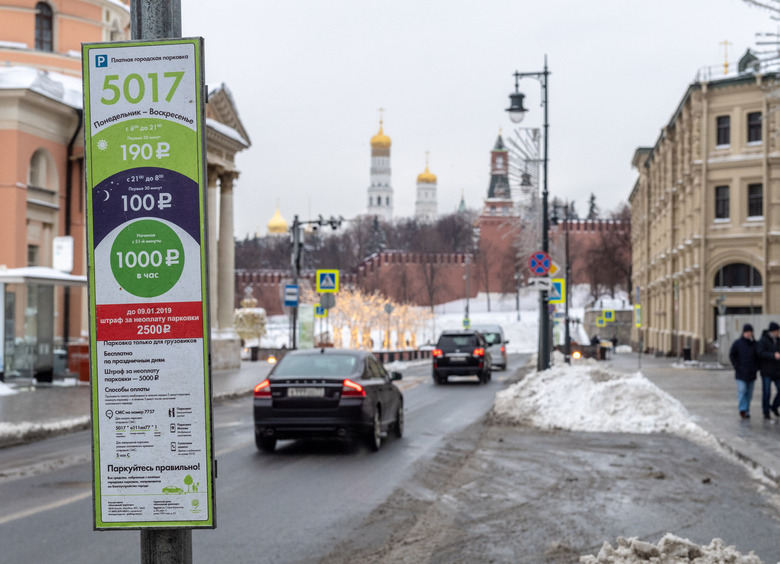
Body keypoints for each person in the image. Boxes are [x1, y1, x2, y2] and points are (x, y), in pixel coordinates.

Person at [730, 324, 759, 419]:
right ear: (743, 332)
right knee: (742, 390)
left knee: (749, 393)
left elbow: (758, 356)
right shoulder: (738, 343)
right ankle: (742, 409)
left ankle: (746, 409)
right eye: (746, 332)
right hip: (741, 372)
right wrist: (736, 365)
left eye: (750, 332)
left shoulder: (755, 344)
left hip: (751, 372)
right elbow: (732, 355)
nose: (748, 334)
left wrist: (756, 367)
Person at [757, 321, 780, 420]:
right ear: (773, 331)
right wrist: (773, 355)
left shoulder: (778, 340)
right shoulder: (763, 340)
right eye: (777, 331)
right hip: (766, 371)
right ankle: (766, 412)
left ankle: (774, 406)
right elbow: (760, 353)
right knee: (766, 392)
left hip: (777, 371)